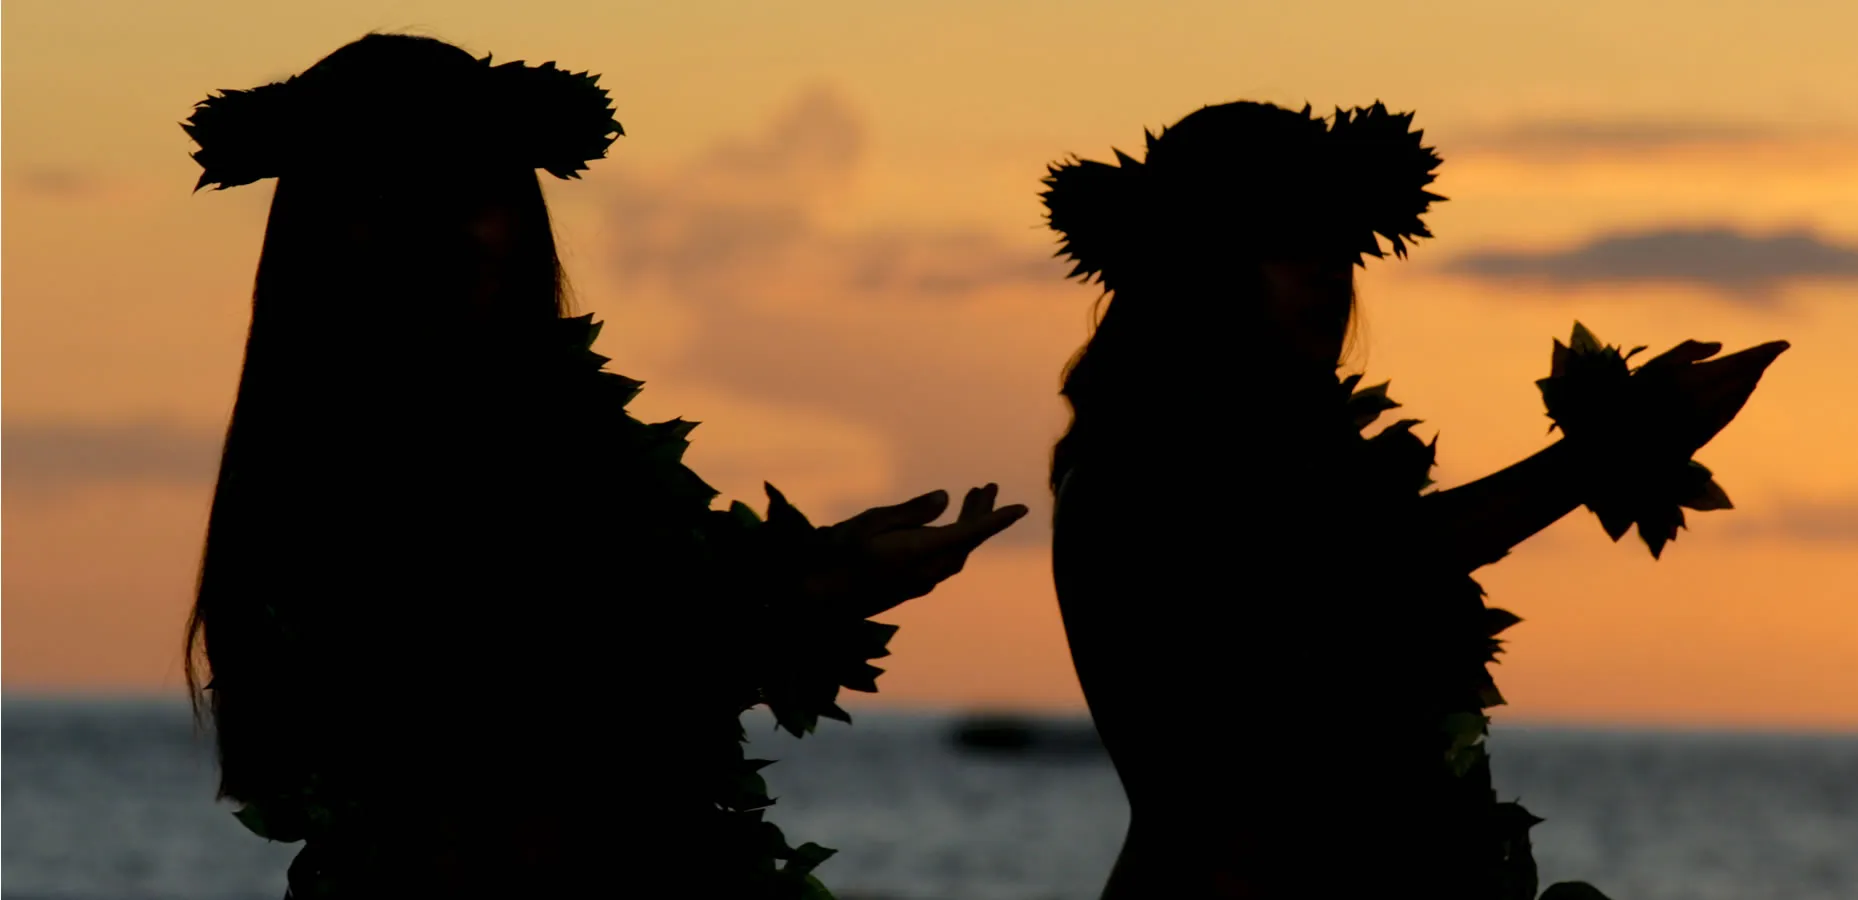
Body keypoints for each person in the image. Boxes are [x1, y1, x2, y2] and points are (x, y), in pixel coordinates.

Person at [179, 33, 1028, 899]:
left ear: (518, 214)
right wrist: (816, 590)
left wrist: (826, 569)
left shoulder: (555, 442)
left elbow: (634, 638)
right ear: (320, 234)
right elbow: (532, 706)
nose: (434, 226)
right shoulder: (342, 467)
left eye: (469, 188)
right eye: (385, 193)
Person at [1042, 100, 1788, 898]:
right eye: (1289, 241)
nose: (1331, 270)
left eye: (1343, 244)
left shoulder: (1306, 471)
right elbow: (1365, 565)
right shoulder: (1141, 467)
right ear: (1193, 271)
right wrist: (1613, 447)